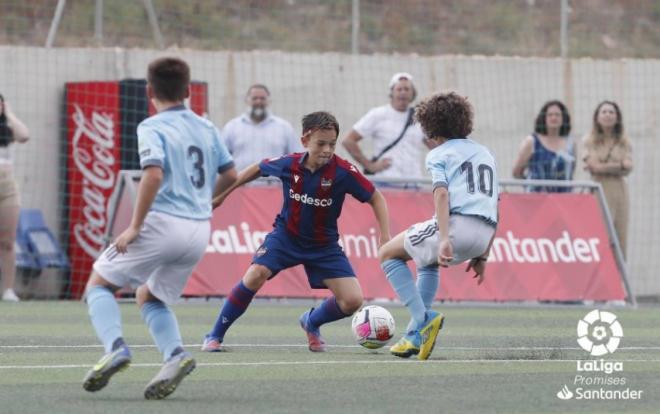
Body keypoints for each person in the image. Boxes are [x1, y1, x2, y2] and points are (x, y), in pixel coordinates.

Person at [81, 57, 237, 400]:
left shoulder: (151, 126)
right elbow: (230, 175)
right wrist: (208, 201)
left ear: (150, 90)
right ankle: (175, 355)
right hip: (199, 231)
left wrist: (134, 226)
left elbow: (153, 174)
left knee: (99, 284)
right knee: (149, 296)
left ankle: (116, 347)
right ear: (188, 90)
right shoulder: (207, 126)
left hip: (163, 222)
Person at [202, 111, 391, 353]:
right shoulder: (290, 164)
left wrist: (384, 235)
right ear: (305, 141)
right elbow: (257, 168)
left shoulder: (343, 172)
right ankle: (215, 334)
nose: (326, 150)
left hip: (324, 246)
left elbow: (376, 197)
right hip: (285, 238)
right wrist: (222, 195)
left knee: (353, 301)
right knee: (255, 274)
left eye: (331, 144)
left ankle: (311, 322)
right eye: (320, 143)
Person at [378, 92, 498, 361]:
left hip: (456, 227)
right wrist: (483, 255)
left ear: (430, 126)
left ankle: (423, 319)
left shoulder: (438, 154)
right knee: (426, 263)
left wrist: (445, 237)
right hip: (484, 233)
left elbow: (441, 194)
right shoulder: (485, 153)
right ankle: (412, 337)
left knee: (387, 253)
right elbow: (495, 204)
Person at [342, 72, 432, 180]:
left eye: (407, 89)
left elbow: (436, 146)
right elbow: (348, 141)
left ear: (413, 93)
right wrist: (370, 166)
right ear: (392, 93)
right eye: (399, 89)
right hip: (387, 182)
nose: (403, 92)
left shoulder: (419, 117)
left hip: (414, 182)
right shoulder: (377, 114)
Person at [582, 100, 632, 258]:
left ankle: (618, 280)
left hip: (619, 193)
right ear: (597, 117)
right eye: (604, 112)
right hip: (598, 190)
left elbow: (629, 166)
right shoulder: (588, 141)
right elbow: (594, 167)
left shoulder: (624, 142)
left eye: (612, 112)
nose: (608, 115)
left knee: (619, 239)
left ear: (617, 117)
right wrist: (619, 166)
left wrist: (605, 166)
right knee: (599, 236)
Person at [223, 84, 302, 171]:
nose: (258, 102)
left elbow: (297, 158)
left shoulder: (284, 127)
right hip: (242, 184)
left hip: (275, 183)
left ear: (269, 101)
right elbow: (222, 159)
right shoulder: (231, 127)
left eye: (262, 98)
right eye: (255, 98)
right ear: (247, 100)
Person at [0, 94, 29, 302]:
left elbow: (24, 135)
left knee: (7, 242)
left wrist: (8, 113)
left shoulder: (8, 130)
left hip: (8, 189)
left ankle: (8, 289)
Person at [512, 100, 576, 192]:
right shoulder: (532, 142)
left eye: (557, 115)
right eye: (550, 115)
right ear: (544, 118)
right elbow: (516, 172)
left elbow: (571, 171)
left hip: (564, 200)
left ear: (563, 118)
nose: (554, 117)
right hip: (537, 200)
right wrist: (531, 185)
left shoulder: (570, 144)